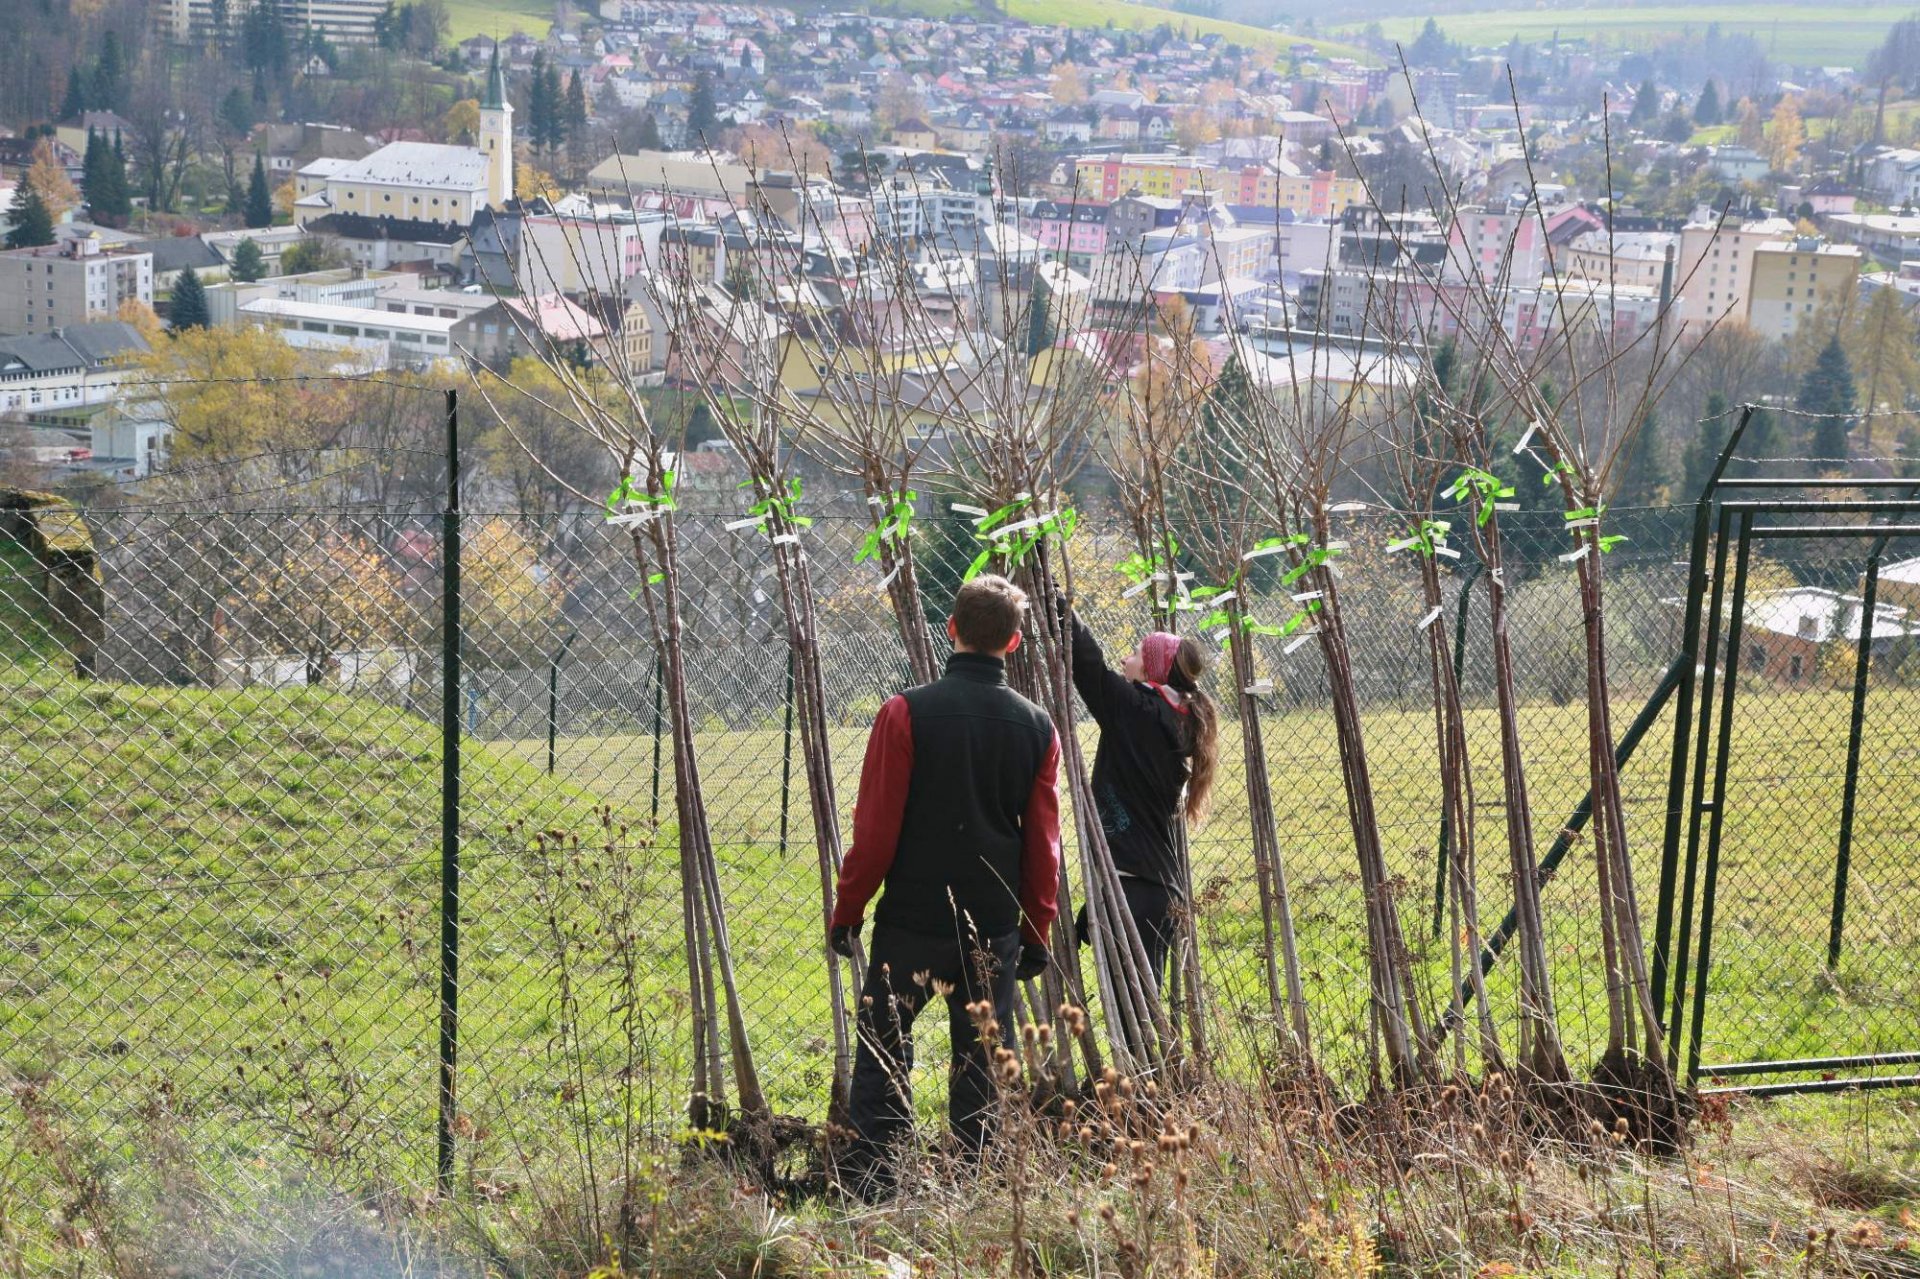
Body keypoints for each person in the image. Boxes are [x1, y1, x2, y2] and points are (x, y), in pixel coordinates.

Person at [829, 574, 1061, 1198]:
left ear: (951, 630)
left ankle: (874, 1183)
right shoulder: (1037, 726)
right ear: (1014, 644)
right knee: (983, 1061)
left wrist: (848, 909)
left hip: (911, 918)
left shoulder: (904, 713)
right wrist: (1036, 929)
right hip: (991, 924)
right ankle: (978, 1188)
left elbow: (875, 830)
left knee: (885, 1050)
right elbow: (1043, 844)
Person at [1062, 599, 1219, 999]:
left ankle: (1144, 1065)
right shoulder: (1179, 717)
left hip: (1133, 887)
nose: (1125, 660)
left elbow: (1088, 665)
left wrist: (1059, 604)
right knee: (1146, 1007)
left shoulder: (1137, 711)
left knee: (1136, 1018)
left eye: (1134, 654)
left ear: (1152, 669)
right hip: (1157, 886)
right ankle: (1155, 1063)